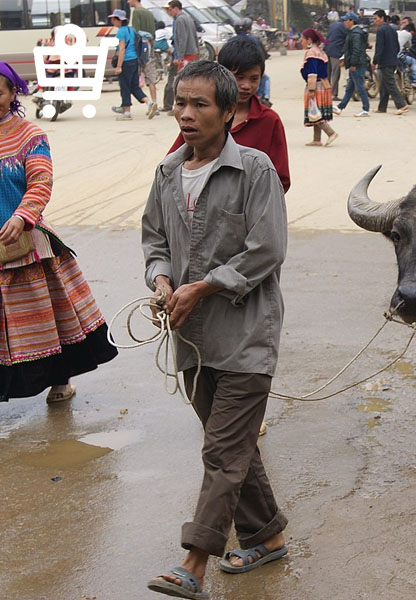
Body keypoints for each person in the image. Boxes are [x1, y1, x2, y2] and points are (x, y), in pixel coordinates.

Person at [143, 60, 288, 600]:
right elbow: (154, 239)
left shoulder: (255, 171)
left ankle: (193, 561)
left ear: (230, 113)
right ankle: (266, 534)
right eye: (180, 102)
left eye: (200, 104)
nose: (186, 114)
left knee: (222, 452)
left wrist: (203, 286)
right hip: (192, 341)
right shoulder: (166, 172)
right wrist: (161, 281)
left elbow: (267, 249)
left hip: (247, 334)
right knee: (231, 446)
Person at [0, 62, 117, 405]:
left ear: (12, 93)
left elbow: (40, 182)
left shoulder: (30, 135)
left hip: (23, 241)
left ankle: (61, 379)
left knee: (46, 319)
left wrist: (23, 216)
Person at [167, 37, 290, 192]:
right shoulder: (205, 116)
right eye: (239, 77)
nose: (246, 86)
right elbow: (172, 164)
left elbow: (280, 179)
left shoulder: (269, 121)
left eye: (254, 79)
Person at [109, 9, 157, 121]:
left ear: (119, 20)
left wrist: (119, 66)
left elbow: (121, 50)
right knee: (134, 86)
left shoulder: (121, 32)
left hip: (126, 62)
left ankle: (127, 112)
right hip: (135, 61)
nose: (112, 20)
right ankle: (149, 103)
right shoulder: (132, 30)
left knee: (125, 87)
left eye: (113, 18)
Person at [301, 28, 338, 146]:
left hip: (316, 85)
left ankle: (331, 133)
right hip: (323, 84)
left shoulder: (312, 52)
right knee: (315, 111)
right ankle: (316, 139)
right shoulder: (320, 52)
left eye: (303, 39)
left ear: (309, 40)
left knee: (315, 111)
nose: (301, 41)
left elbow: (312, 71)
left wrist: (311, 89)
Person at [163, 0, 199, 115]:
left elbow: (181, 39)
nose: (169, 12)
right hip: (192, 53)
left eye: (169, 9)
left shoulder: (179, 20)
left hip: (185, 55)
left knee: (181, 82)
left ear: (175, 8)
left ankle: (178, 106)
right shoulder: (188, 18)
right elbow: (194, 36)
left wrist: (180, 56)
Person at [333, 12, 371, 117]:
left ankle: (365, 109)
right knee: (350, 88)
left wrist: (353, 63)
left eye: (346, 20)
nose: (344, 22)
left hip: (357, 65)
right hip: (354, 64)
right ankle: (340, 107)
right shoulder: (353, 32)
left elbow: (356, 50)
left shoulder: (356, 34)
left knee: (360, 87)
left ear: (352, 21)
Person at [372, 9, 409, 115]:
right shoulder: (392, 29)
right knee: (384, 84)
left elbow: (379, 47)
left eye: (376, 19)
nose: (375, 21)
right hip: (393, 60)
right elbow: (397, 46)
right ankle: (382, 107)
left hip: (385, 61)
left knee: (390, 83)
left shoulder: (380, 30)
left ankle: (402, 104)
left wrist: (375, 61)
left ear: (382, 18)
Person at [129, 0, 158, 111]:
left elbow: (135, 33)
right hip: (150, 46)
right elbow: (153, 32)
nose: (128, 2)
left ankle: (129, 106)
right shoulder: (149, 12)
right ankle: (154, 102)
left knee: (133, 79)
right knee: (151, 78)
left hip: (141, 49)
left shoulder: (136, 12)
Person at [325, 15, 347, 100]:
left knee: (328, 73)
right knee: (335, 73)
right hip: (336, 51)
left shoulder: (333, 25)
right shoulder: (344, 27)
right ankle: (333, 94)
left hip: (327, 50)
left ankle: (326, 93)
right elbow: (348, 38)